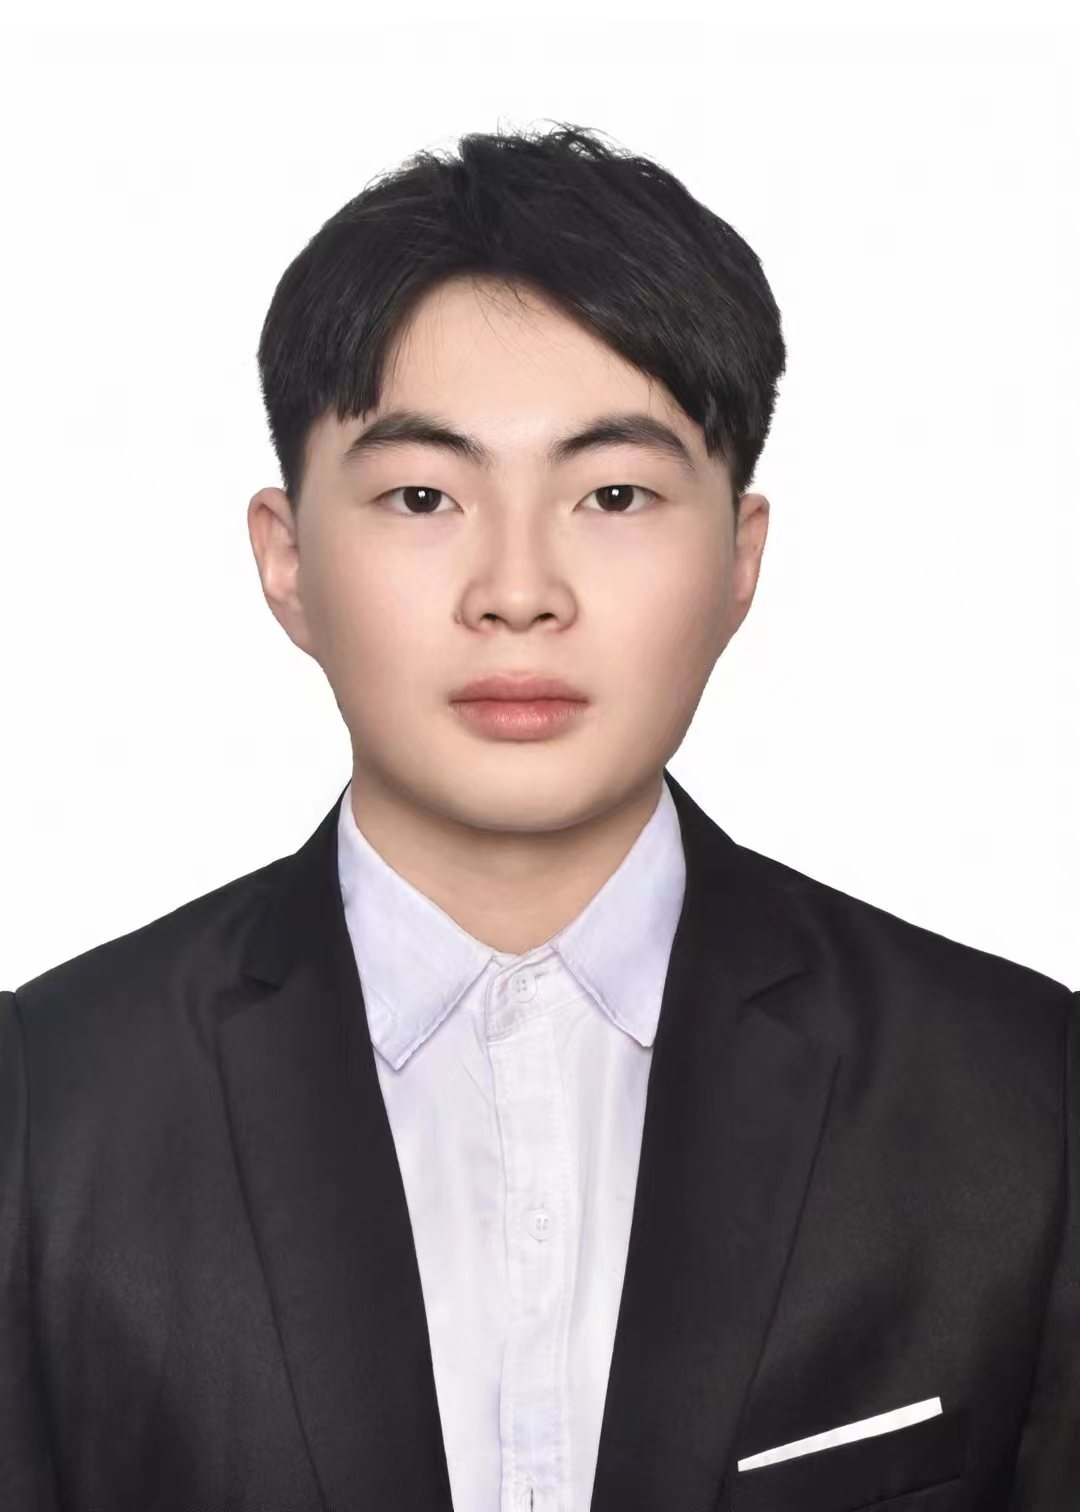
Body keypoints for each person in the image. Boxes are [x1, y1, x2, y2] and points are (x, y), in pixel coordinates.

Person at [1, 121, 1075, 1512]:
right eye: (423, 496)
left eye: (614, 494)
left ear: (740, 560)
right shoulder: (46, 1107)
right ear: (287, 561)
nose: (518, 591)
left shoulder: (1023, 1096)